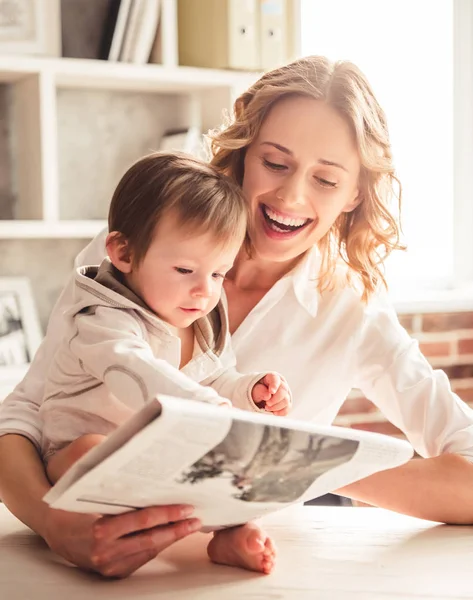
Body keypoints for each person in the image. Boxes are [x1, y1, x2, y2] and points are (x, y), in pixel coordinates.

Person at [2, 55, 473, 580]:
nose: (291, 197)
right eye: (275, 163)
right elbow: (22, 415)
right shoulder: (142, 249)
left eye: (325, 179)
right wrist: (54, 525)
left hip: (236, 570)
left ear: (355, 194)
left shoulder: (353, 309)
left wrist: (294, 466)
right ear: (245, 153)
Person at [39, 151, 292, 574]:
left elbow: (215, 376)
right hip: (72, 449)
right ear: (124, 253)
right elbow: (134, 373)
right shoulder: (102, 320)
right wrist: (204, 407)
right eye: (185, 269)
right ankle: (127, 533)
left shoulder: (202, 319)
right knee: (98, 452)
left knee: (229, 473)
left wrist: (248, 390)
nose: (203, 291)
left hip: (156, 449)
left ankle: (230, 532)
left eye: (217, 275)